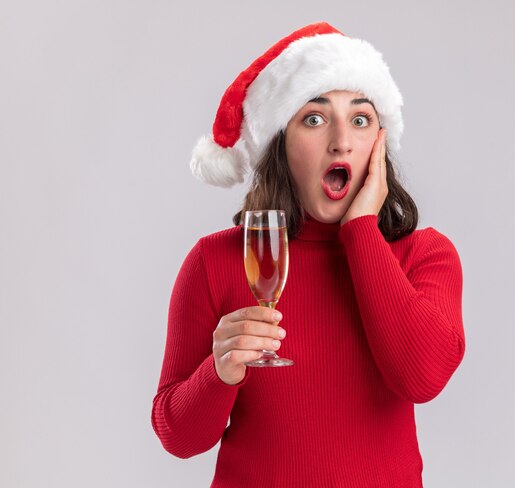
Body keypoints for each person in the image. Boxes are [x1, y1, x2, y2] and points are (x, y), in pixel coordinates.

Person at [151, 22, 465, 487]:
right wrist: (218, 374)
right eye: (314, 119)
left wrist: (360, 230)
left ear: (379, 143)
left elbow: (422, 378)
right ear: (280, 143)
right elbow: (178, 436)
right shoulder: (214, 263)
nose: (341, 140)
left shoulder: (424, 255)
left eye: (360, 119)